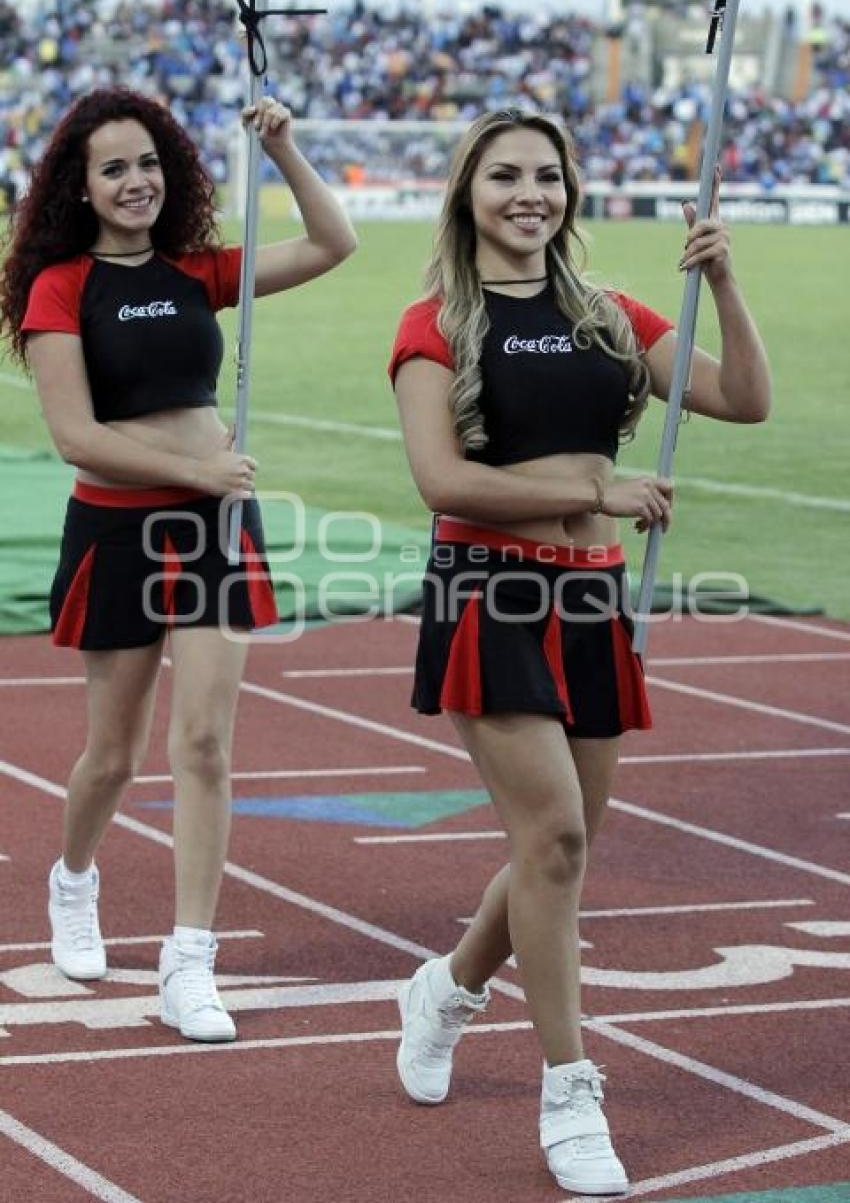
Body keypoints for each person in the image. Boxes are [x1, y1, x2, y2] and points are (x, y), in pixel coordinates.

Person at [388, 108, 769, 1195]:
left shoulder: (609, 316)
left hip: (594, 601)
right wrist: (589, 487)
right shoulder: (435, 324)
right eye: (504, 176)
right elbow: (441, 482)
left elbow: (741, 400)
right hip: (489, 594)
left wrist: (725, 283)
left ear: (570, 190)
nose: (529, 194)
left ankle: (448, 990)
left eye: (547, 177)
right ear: (467, 192)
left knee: (559, 851)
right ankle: (569, 1089)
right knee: (551, 836)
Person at [0, 86, 356, 1043]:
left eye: (149, 162)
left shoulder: (200, 268)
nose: (135, 180)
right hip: (120, 532)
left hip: (215, 529)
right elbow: (77, 437)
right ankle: (74, 881)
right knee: (111, 757)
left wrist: (283, 147)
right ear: (79, 186)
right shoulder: (60, 286)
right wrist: (194, 465)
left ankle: (187, 960)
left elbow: (332, 244)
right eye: (113, 166)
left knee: (203, 744)